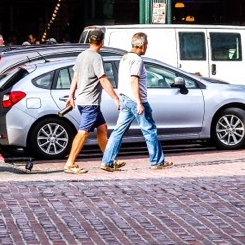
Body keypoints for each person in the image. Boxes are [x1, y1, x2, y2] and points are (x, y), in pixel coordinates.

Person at [101, 31, 173, 171]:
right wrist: (139, 102)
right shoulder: (137, 60)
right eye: (146, 44)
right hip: (135, 100)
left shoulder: (125, 58)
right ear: (142, 45)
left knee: (118, 131)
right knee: (149, 130)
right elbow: (134, 79)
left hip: (125, 99)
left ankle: (107, 161)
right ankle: (156, 161)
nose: (147, 47)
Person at [61, 29, 121, 174]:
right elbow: (103, 79)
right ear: (102, 42)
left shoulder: (82, 55)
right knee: (83, 133)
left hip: (83, 100)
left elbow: (75, 76)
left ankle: (109, 159)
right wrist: (115, 97)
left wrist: (71, 95)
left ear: (89, 41)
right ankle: (70, 163)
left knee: (102, 128)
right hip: (90, 102)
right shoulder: (96, 57)